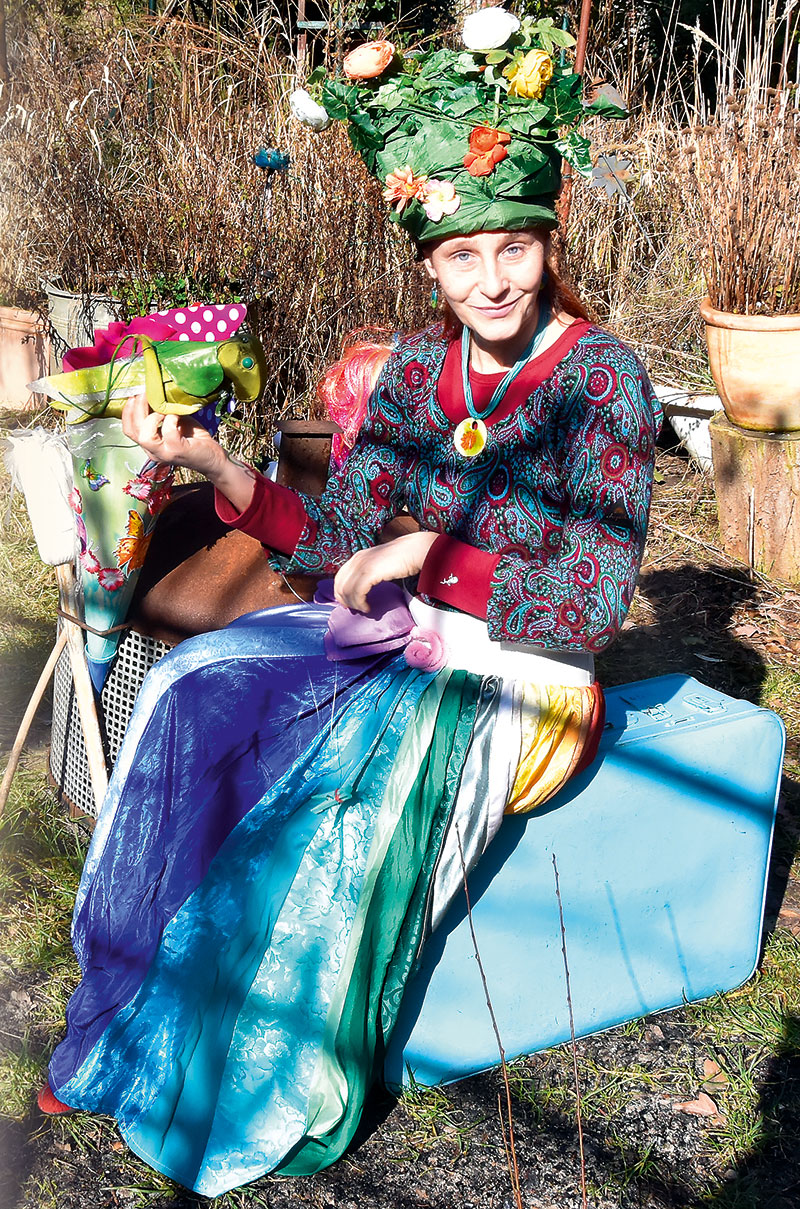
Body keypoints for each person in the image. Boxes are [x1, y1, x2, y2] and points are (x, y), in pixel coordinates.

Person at [40, 14, 662, 1197]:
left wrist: (433, 553)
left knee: (325, 815)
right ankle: (121, 1003)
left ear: (544, 243)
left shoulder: (602, 377)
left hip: (525, 674)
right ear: (427, 264)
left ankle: (231, 1074)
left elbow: (587, 600)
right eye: (460, 258)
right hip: (394, 630)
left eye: (513, 251)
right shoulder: (418, 374)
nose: (491, 281)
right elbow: (336, 543)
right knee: (186, 691)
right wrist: (222, 474)